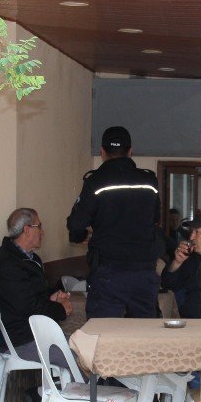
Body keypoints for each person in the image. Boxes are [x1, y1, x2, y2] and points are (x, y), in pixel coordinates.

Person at [66, 126, 162, 319]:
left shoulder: (95, 182)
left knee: (103, 332)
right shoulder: (148, 181)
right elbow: (156, 219)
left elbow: (76, 224)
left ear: (102, 152)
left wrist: (82, 236)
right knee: (145, 332)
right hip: (143, 270)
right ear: (130, 151)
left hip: (109, 272)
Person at [0, 207, 73, 368]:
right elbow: (27, 306)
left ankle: (60, 390)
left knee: (79, 345)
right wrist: (60, 309)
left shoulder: (30, 258)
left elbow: (34, 293)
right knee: (77, 355)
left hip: (34, 332)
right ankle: (78, 392)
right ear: (27, 230)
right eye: (39, 226)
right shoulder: (8, 263)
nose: (42, 232)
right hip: (20, 339)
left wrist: (52, 295)